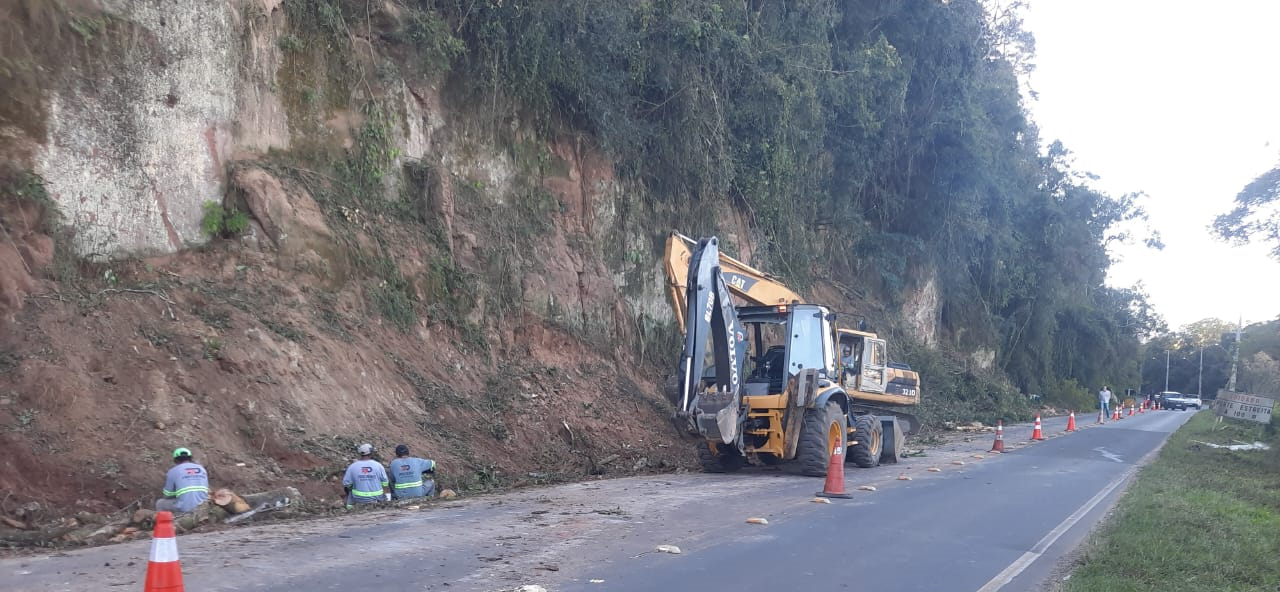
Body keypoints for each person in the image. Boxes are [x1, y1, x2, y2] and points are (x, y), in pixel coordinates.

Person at [157, 447, 210, 514]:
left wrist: (176, 493)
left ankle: (167, 523)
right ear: (190, 458)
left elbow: (167, 495)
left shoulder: (173, 471)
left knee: (160, 503)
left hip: (186, 508)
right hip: (203, 507)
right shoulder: (202, 469)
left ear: (176, 460)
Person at [343, 443, 390, 509]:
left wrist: (354, 487)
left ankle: (349, 509)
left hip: (358, 498)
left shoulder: (352, 467)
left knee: (350, 492)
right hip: (377, 497)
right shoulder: (378, 465)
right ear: (371, 453)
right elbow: (385, 483)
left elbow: (346, 483)